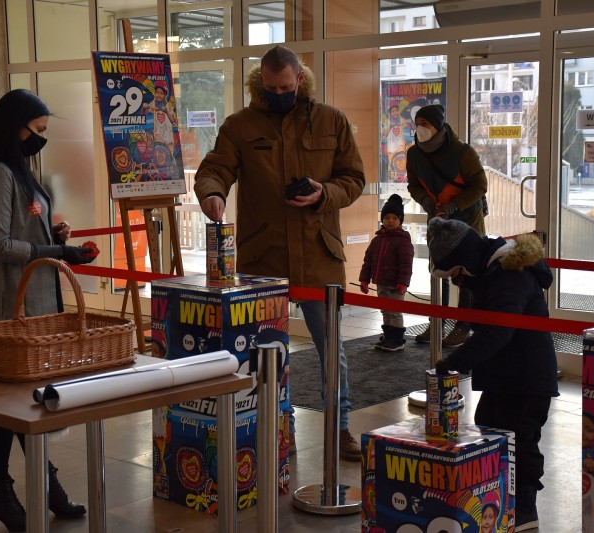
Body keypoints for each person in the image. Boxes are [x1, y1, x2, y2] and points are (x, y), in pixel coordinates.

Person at [194, 45, 366, 460]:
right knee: (261, 352)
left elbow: (354, 178)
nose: (279, 94)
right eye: (271, 88)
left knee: (332, 350)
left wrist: (324, 193)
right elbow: (214, 169)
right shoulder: (240, 125)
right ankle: (270, 427)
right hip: (263, 258)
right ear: (261, 83)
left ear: (299, 79)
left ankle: (339, 426)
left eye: (285, 87)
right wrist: (212, 194)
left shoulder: (332, 120)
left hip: (319, 255)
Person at [0, 89, 94, 532]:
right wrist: (55, 250)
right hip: (15, 305)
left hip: (38, 300)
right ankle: (3, 491)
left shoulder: (21, 170)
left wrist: (52, 234)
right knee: (13, 400)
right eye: (37, 130)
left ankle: (34, 487)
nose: (41, 138)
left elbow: (24, 228)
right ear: (14, 127)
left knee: (28, 398)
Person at [427, 217, 558, 532]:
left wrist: (454, 362)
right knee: (489, 431)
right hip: (505, 374)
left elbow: (497, 332)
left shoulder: (511, 275)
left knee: (521, 440)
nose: (458, 282)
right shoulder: (490, 273)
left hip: (527, 378)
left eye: (456, 274)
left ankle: (525, 508)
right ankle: (498, 500)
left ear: (468, 260)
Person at [406, 104, 487, 347]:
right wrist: (427, 201)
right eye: (417, 124)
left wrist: (453, 206)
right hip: (437, 218)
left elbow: (480, 185)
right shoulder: (414, 154)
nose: (420, 129)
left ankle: (463, 326)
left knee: (468, 272)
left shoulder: (462, 152)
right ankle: (437, 322)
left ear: (438, 126)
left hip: (468, 217)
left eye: (425, 124)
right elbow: (413, 185)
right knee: (438, 269)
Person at [359, 194, 414, 352]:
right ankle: (389, 336)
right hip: (381, 283)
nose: (390, 221)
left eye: (394, 218)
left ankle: (397, 339)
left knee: (395, 312)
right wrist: (364, 280)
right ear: (382, 219)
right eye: (387, 217)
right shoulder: (377, 240)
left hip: (395, 285)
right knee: (385, 311)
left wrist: (403, 283)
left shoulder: (403, 241)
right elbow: (368, 262)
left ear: (400, 220)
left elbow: (406, 265)